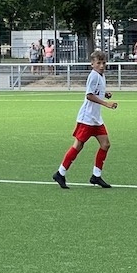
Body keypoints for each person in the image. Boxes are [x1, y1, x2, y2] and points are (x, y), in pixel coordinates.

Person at [52, 50, 118, 189]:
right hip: (87, 118)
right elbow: (89, 95)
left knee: (105, 144)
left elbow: (96, 91)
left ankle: (96, 176)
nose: (102, 66)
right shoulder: (93, 76)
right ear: (92, 64)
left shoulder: (101, 75)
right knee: (78, 146)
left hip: (96, 119)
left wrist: (104, 94)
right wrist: (106, 104)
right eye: (98, 63)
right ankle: (60, 173)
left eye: (104, 63)